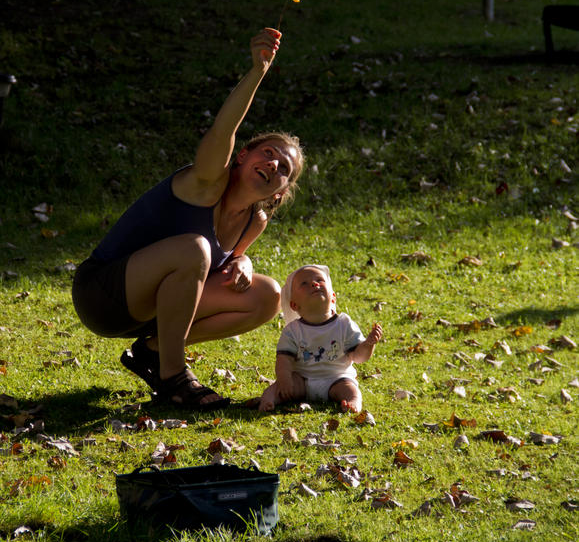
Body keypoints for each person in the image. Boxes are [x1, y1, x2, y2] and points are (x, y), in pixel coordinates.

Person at [72, 27, 304, 409]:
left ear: (279, 192)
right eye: (268, 152)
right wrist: (258, 72)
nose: (274, 163)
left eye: (284, 169)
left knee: (266, 295)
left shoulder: (254, 221)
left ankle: (152, 351)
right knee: (194, 248)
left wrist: (243, 261)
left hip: (152, 313)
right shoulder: (207, 182)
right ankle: (174, 378)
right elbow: (223, 130)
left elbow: (218, 270)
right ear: (244, 156)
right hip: (103, 294)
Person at [258, 264, 382, 413]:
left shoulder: (343, 324)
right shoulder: (293, 330)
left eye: (320, 280)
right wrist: (285, 380)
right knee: (277, 388)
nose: (314, 283)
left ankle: (353, 401)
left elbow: (359, 357)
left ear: (333, 298)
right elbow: (284, 360)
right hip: (302, 379)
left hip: (336, 378)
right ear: (294, 305)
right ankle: (268, 400)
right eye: (304, 283)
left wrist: (368, 344)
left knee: (350, 389)